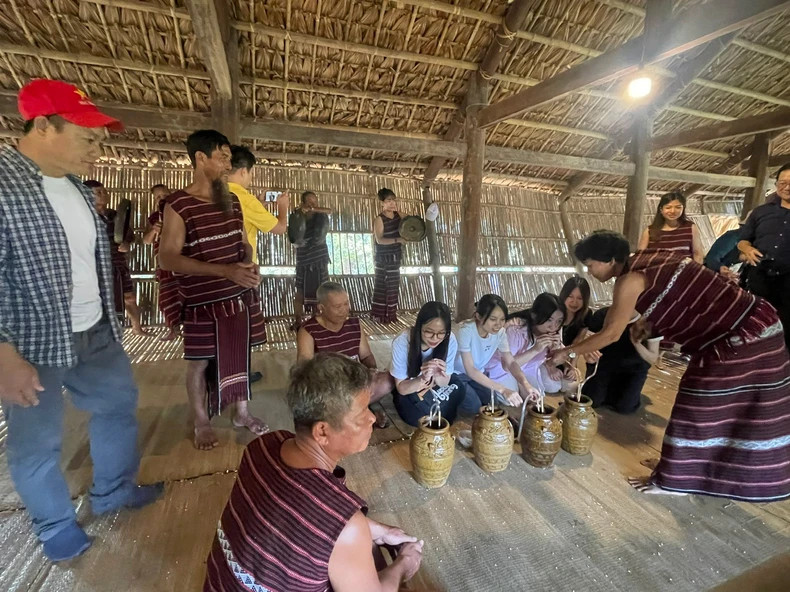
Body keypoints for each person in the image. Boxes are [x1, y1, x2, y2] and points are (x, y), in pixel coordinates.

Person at [0, 79, 161, 561]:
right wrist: (3, 353)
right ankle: (54, 527)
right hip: (30, 339)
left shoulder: (73, 186)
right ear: (44, 126)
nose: (97, 148)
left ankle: (113, 491)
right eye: (88, 137)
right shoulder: (4, 183)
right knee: (37, 440)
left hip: (95, 329)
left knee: (117, 405)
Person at [551, 230, 790, 502]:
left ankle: (675, 480)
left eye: (591, 264)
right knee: (718, 407)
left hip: (743, 335)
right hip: (753, 323)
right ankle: (678, 465)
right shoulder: (649, 260)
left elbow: (611, 334)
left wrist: (565, 354)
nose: (589, 270)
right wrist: (644, 324)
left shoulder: (630, 279)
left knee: (700, 405)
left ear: (610, 260)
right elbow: (664, 301)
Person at [203, 353, 424, 592]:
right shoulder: (345, 526)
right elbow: (331, 527)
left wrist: (380, 531)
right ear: (322, 432)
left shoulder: (262, 446)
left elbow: (297, 522)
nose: (372, 417)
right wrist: (403, 565)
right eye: (362, 415)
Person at [159, 130, 269, 451]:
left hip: (236, 297)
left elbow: (243, 244)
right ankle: (201, 421)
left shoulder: (231, 200)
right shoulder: (178, 204)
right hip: (202, 302)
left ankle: (241, 413)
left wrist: (248, 263)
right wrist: (225, 271)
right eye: (221, 156)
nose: (226, 163)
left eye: (228, 158)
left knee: (240, 355)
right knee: (199, 363)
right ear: (200, 158)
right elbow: (168, 257)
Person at [227, 145, 288, 383]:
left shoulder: (215, 193)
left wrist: (258, 205)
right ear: (243, 171)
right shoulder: (244, 198)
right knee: (242, 326)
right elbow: (280, 228)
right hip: (243, 271)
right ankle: (240, 372)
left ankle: (222, 370)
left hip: (218, 271)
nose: (250, 178)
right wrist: (282, 209)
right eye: (251, 173)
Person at [297, 282, 394, 428]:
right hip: (329, 388)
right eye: (337, 307)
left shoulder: (354, 324)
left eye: (346, 304)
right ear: (321, 308)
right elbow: (305, 371)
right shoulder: (308, 331)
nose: (344, 310)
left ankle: (351, 413)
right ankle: (360, 412)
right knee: (321, 402)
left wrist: (371, 370)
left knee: (388, 380)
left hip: (356, 383)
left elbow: (366, 356)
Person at [84, 180, 149, 337]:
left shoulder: (115, 216)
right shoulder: (84, 217)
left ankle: (136, 327)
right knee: (101, 300)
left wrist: (127, 244)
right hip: (97, 268)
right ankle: (101, 333)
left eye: (104, 191)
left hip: (119, 264)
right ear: (88, 195)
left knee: (129, 297)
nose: (103, 195)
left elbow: (129, 236)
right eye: (98, 192)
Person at [454, 294, 539, 415]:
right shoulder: (465, 331)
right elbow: (470, 370)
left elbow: (510, 362)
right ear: (478, 316)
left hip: (479, 373)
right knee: (474, 407)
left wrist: (526, 384)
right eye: (493, 319)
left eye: (502, 319)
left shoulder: (500, 333)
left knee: (491, 401)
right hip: (457, 375)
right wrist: (503, 389)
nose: (498, 324)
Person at [738, 163, 790, 351]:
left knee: (786, 327)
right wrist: (747, 250)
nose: (787, 187)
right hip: (759, 277)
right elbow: (742, 241)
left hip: (788, 281)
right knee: (756, 322)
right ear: (776, 184)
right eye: (782, 182)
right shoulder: (761, 211)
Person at [389, 301, 466, 426]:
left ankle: (433, 411)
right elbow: (401, 388)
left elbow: (444, 382)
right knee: (415, 415)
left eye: (441, 333)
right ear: (419, 327)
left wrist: (437, 375)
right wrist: (422, 379)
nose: (435, 338)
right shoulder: (403, 342)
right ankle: (436, 411)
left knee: (459, 387)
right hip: (411, 385)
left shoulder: (449, 339)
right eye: (429, 332)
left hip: (434, 384)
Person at [488, 293, 577, 395]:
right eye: (549, 320)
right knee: (512, 399)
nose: (554, 326)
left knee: (553, 388)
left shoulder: (554, 332)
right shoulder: (516, 330)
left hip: (528, 369)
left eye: (559, 321)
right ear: (534, 316)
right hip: (503, 371)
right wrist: (535, 350)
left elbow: (569, 353)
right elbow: (507, 366)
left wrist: (570, 362)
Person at [581, 307, 659, 413]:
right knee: (592, 401)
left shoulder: (651, 321)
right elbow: (588, 343)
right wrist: (588, 355)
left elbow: (653, 357)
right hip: (604, 364)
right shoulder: (602, 314)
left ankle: (630, 390)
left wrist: (636, 342)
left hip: (633, 369)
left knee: (626, 408)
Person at [142, 183, 181, 341]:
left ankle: (192, 329)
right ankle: (172, 328)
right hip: (165, 262)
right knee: (166, 298)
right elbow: (146, 241)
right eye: (158, 197)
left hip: (182, 260)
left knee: (186, 295)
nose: (162, 199)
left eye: (165, 195)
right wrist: (155, 230)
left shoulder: (180, 213)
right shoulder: (154, 218)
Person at [293, 190, 332, 330]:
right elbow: (293, 235)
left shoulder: (321, 215)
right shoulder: (298, 215)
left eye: (314, 201)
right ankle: (298, 321)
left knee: (321, 289)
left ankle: (318, 319)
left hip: (319, 258)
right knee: (300, 290)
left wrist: (313, 209)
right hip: (303, 259)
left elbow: (330, 210)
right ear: (303, 202)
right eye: (309, 201)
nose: (312, 203)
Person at [637, 191, 704, 264]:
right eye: (668, 207)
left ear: (683, 208)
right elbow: (641, 257)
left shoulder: (690, 228)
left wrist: (696, 272)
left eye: (678, 207)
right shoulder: (649, 231)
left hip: (684, 272)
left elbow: (698, 254)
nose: (673, 211)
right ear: (661, 209)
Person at [371, 188, 406, 324]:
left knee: (393, 286)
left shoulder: (400, 215)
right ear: (382, 203)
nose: (392, 203)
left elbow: (411, 224)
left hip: (395, 257)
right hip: (383, 258)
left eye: (393, 200)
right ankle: (380, 315)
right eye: (388, 201)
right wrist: (398, 240)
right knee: (383, 285)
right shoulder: (379, 219)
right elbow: (379, 240)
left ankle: (391, 315)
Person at [558, 276, 593, 347]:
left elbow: (578, 341)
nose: (574, 302)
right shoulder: (554, 312)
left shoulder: (586, 314)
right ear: (564, 295)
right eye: (570, 296)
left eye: (580, 298)